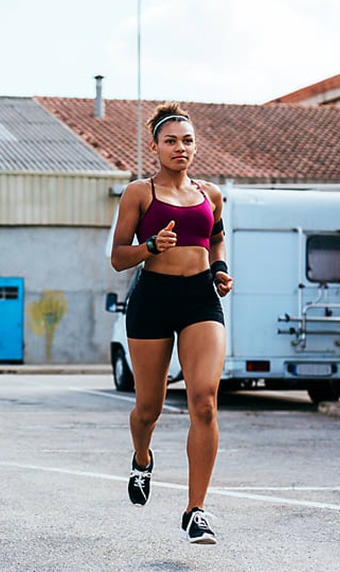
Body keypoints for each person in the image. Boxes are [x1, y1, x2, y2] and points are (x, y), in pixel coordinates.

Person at [111, 103, 233, 544]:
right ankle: (142, 458)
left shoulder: (211, 194)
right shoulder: (138, 193)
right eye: (171, 141)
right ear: (155, 147)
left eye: (187, 140)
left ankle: (195, 511)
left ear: (195, 146)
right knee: (149, 408)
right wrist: (150, 247)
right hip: (153, 299)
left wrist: (219, 270)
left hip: (201, 299)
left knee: (204, 402)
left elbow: (216, 238)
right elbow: (118, 257)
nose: (180, 147)